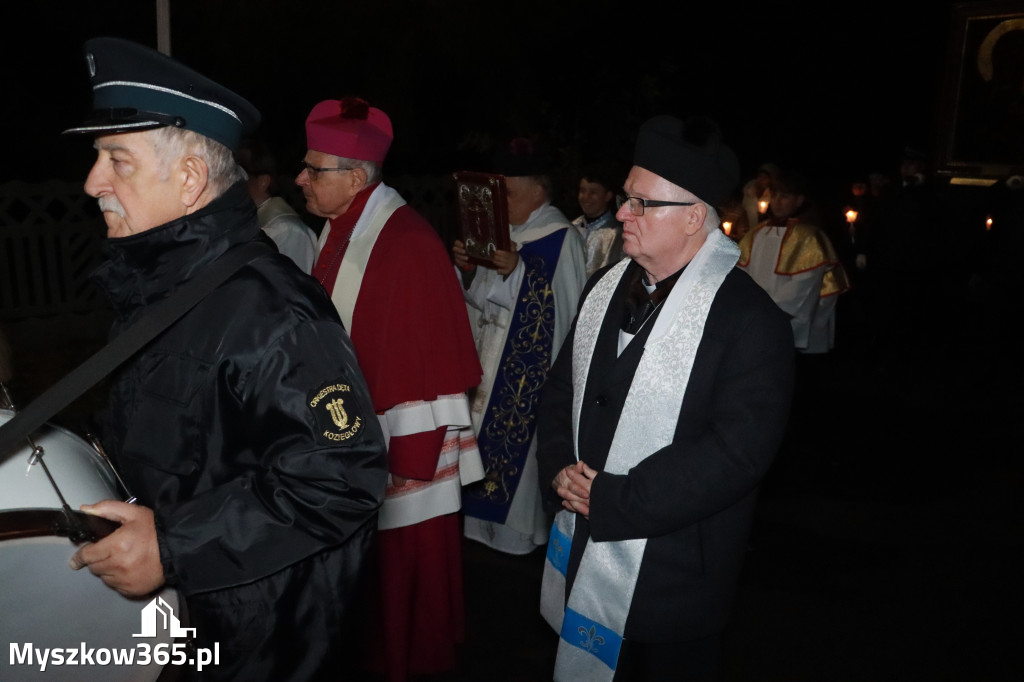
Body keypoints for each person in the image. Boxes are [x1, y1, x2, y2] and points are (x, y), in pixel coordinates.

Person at [62, 37, 388, 681]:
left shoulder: (273, 312)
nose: (92, 181)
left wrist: (173, 546)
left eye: (115, 159)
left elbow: (341, 478)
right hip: (191, 623)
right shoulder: (161, 284)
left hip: (259, 642)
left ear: (188, 180)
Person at [536, 115, 794, 682]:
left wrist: (613, 499)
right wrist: (559, 468)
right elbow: (561, 391)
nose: (622, 212)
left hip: (673, 572)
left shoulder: (752, 322)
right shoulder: (607, 288)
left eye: (640, 203)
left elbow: (736, 453)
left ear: (695, 217)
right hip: (583, 543)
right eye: (627, 199)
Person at [297, 97, 483, 682]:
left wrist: (392, 462)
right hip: (351, 439)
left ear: (356, 178)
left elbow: (417, 369)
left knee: (404, 586)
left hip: (401, 450)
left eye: (313, 169)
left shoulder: (404, 245)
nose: (299, 178)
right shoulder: (340, 228)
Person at [453, 139, 587, 555]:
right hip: (487, 362)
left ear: (538, 191)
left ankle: (517, 540)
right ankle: (477, 530)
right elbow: (479, 302)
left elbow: (563, 315)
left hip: (526, 380)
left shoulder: (561, 238)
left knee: (518, 468)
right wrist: (470, 271)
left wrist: (522, 274)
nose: (500, 203)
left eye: (507, 193)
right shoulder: (501, 234)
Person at [738, 169, 851, 354]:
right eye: (774, 195)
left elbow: (805, 285)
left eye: (785, 196)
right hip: (756, 318)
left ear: (798, 200)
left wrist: (772, 311)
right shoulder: (756, 233)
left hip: (785, 318)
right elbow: (742, 272)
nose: (777, 201)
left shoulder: (809, 237)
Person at [236, 137, 318, 272]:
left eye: (242, 173)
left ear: (263, 181)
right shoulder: (248, 222)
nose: (234, 181)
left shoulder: (288, 231)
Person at [572, 162, 624, 277]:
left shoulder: (616, 235)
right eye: (582, 191)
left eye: (593, 192)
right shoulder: (572, 228)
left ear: (608, 196)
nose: (586, 197)